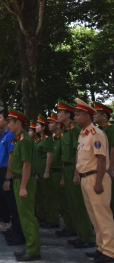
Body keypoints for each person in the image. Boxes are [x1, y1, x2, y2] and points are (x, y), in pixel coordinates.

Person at [74, 99, 114, 262]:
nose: (75, 118)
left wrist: (98, 182)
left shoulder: (96, 133)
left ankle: (110, 251)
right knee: (94, 216)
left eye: (77, 115)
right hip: (85, 178)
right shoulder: (83, 134)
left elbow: (101, 159)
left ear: (87, 116)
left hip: (95, 178)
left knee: (103, 216)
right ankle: (101, 247)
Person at [58, 100, 96, 248]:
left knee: (79, 204)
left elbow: (77, 153)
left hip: (74, 168)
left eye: (61, 112)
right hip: (66, 169)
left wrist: (75, 174)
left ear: (67, 114)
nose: (58, 115)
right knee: (72, 204)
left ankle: (87, 237)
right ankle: (78, 234)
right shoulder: (66, 131)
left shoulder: (73, 130)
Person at [5, 108, 41, 262]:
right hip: (18, 179)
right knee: (22, 216)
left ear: (18, 122)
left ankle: (33, 249)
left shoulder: (25, 140)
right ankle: (29, 247)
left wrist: (23, 186)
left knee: (28, 216)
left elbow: (27, 165)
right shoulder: (19, 139)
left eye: (10, 122)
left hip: (24, 180)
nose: (8, 126)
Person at [0, 108, 24, 246]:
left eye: (0, 118)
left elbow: (11, 159)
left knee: (14, 206)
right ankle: (15, 230)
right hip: (2, 172)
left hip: (9, 174)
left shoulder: (12, 136)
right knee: (10, 205)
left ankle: (19, 234)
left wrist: (7, 178)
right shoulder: (6, 135)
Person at [48, 112, 75, 237]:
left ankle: (76, 229)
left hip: (63, 171)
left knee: (71, 203)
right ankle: (69, 226)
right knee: (63, 202)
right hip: (61, 171)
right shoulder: (58, 138)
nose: (49, 125)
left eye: (52, 122)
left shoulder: (67, 133)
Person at [35, 115, 59, 228]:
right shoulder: (40, 140)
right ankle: (46, 217)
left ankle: (53, 220)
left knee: (49, 196)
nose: (35, 127)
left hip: (45, 171)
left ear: (43, 127)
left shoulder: (47, 140)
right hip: (39, 171)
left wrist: (46, 171)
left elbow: (49, 156)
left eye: (38, 125)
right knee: (43, 196)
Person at [94, 102, 114, 217]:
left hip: (108, 167)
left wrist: (111, 168)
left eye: (97, 114)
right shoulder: (100, 130)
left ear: (104, 116)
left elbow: (112, 148)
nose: (94, 116)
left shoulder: (109, 128)